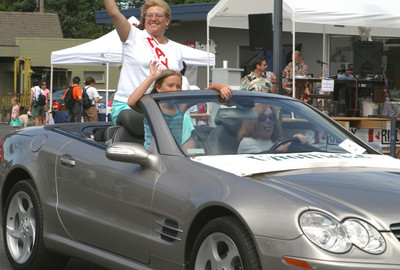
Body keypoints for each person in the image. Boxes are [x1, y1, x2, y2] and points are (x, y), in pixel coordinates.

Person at [104, 0, 184, 124]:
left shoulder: (176, 49)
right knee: (153, 125)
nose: (153, 19)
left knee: (186, 124)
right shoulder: (132, 36)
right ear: (143, 20)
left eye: (158, 15)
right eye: (149, 15)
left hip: (161, 107)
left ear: (167, 21)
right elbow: (114, 13)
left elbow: (178, 82)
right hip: (128, 105)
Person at [127, 61, 232, 153]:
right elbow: (132, 102)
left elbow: (206, 92)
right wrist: (152, 77)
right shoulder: (152, 106)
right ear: (158, 88)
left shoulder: (181, 106)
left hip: (174, 156)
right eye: (170, 85)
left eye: (178, 86)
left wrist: (221, 87)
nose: (175, 89)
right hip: (152, 156)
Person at [237, 104, 307, 154]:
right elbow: (264, 161)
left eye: (271, 117)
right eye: (263, 117)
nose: (268, 120)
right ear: (254, 122)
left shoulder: (275, 142)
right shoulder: (247, 143)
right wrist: (286, 147)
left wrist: (298, 140)